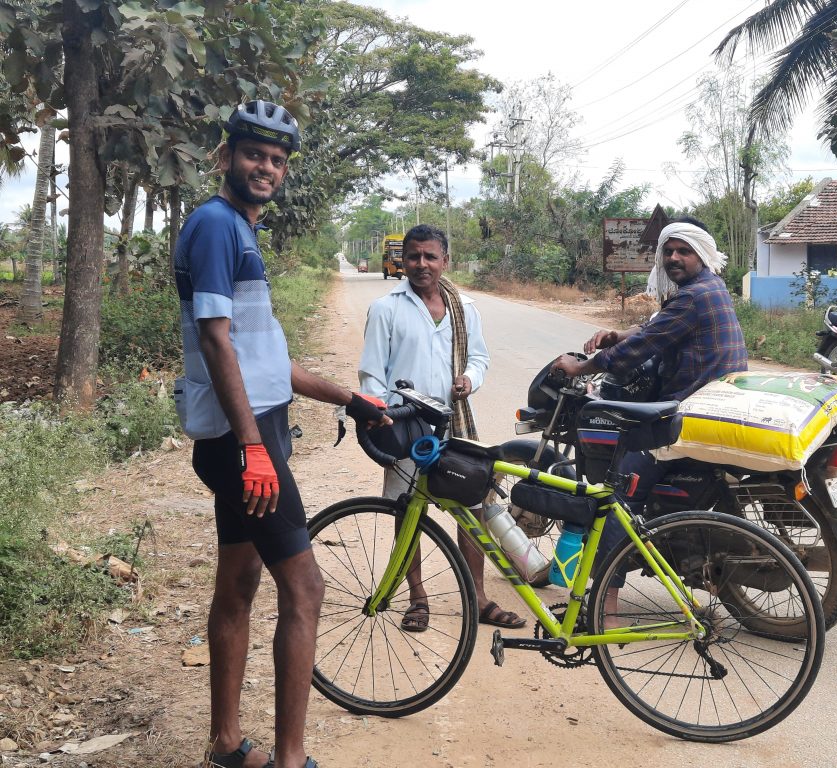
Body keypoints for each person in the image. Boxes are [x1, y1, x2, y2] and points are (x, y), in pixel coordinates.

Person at [174, 100, 388, 768]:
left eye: (276, 159)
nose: (265, 167)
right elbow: (215, 341)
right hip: (242, 442)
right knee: (307, 590)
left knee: (238, 585)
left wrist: (349, 396)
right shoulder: (215, 224)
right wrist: (252, 448)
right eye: (253, 155)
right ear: (227, 156)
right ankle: (291, 760)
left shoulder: (240, 229)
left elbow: (266, 361)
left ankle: (225, 745)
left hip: (247, 433)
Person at [550, 220, 748, 621]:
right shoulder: (708, 289)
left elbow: (645, 347)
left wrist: (581, 365)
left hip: (690, 408)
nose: (674, 257)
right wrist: (619, 334)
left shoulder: (694, 296)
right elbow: (658, 327)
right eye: (668, 251)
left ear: (702, 255)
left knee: (620, 491)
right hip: (714, 400)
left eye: (683, 251)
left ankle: (605, 605)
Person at [358, 224, 527, 632]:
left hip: (455, 426)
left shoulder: (464, 308)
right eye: (413, 256)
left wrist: (470, 379)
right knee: (407, 511)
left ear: (444, 260)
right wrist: (380, 418)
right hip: (405, 429)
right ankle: (417, 598)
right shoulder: (387, 309)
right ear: (403, 260)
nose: (421, 264)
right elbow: (371, 375)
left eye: (430, 256)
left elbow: (480, 359)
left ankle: (478, 596)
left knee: (471, 509)